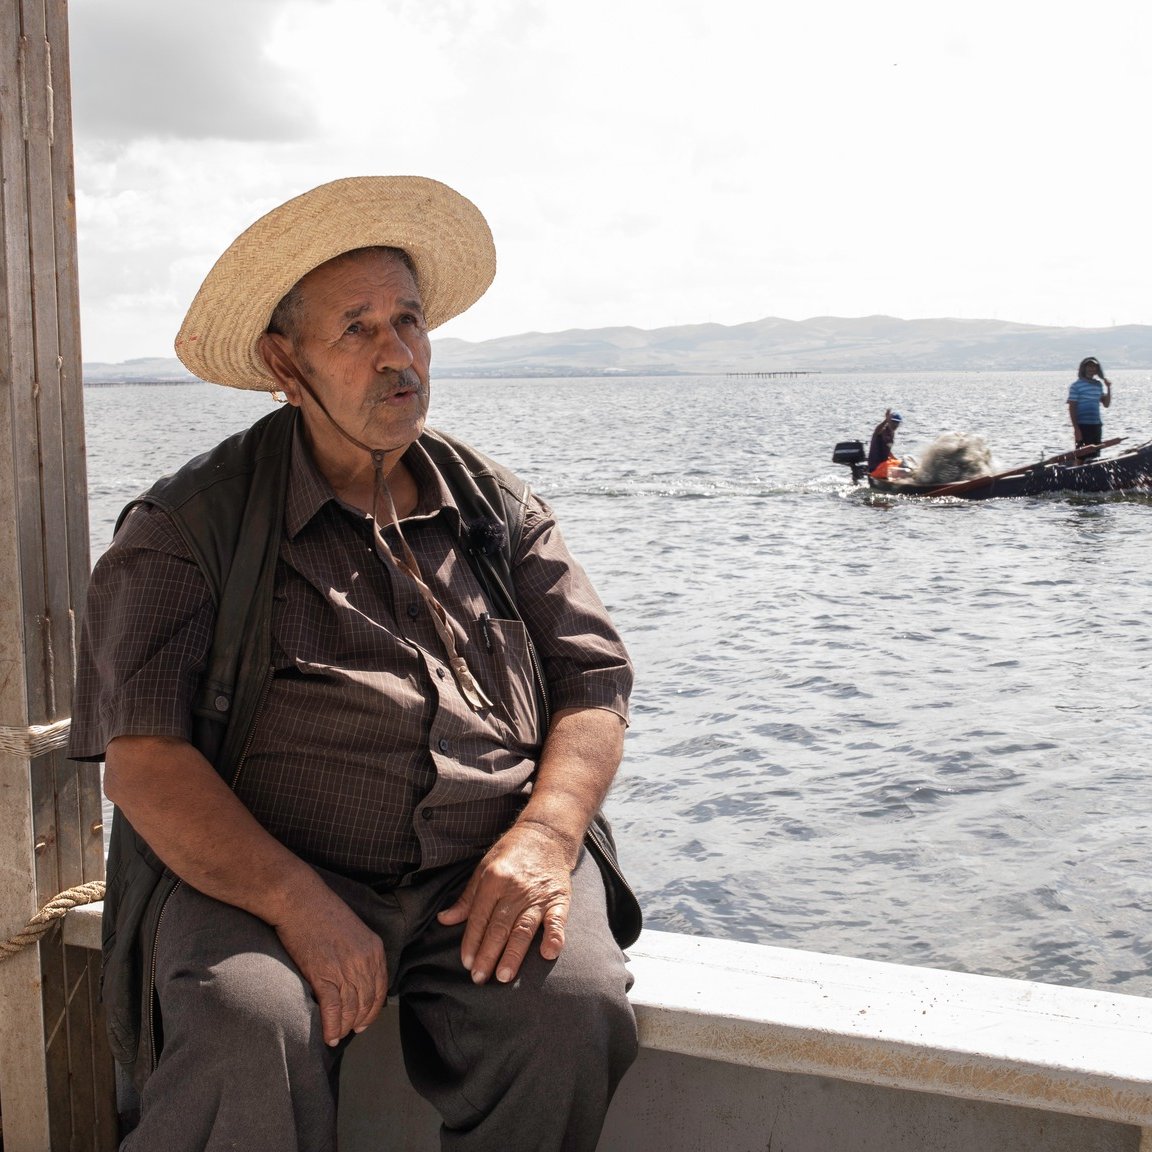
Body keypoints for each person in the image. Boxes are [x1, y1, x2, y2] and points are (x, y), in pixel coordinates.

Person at [69, 176, 641, 1152]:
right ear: (284, 364)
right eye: (358, 329)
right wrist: (295, 900)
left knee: (572, 1009)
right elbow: (145, 765)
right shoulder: (184, 529)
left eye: (408, 322)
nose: (397, 354)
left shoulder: (497, 506)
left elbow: (593, 683)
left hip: (487, 861)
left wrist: (547, 833)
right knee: (246, 1025)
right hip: (261, 872)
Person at [1067, 356, 1113, 459]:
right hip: (1083, 425)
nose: (1092, 369)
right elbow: (1072, 408)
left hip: (1096, 424)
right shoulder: (1076, 386)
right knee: (1082, 455)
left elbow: (1106, 404)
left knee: (1095, 454)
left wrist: (1108, 388)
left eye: (1094, 366)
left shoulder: (1098, 385)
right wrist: (1076, 429)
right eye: (1089, 366)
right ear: (1084, 368)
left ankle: (1094, 468)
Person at [867, 408, 903, 475]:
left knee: (903, 465)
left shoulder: (892, 433)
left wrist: (896, 460)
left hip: (884, 464)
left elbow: (888, 451)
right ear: (889, 421)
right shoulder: (882, 430)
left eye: (897, 422)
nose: (895, 425)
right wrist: (886, 420)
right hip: (876, 467)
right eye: (893, 422)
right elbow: (877, 430)